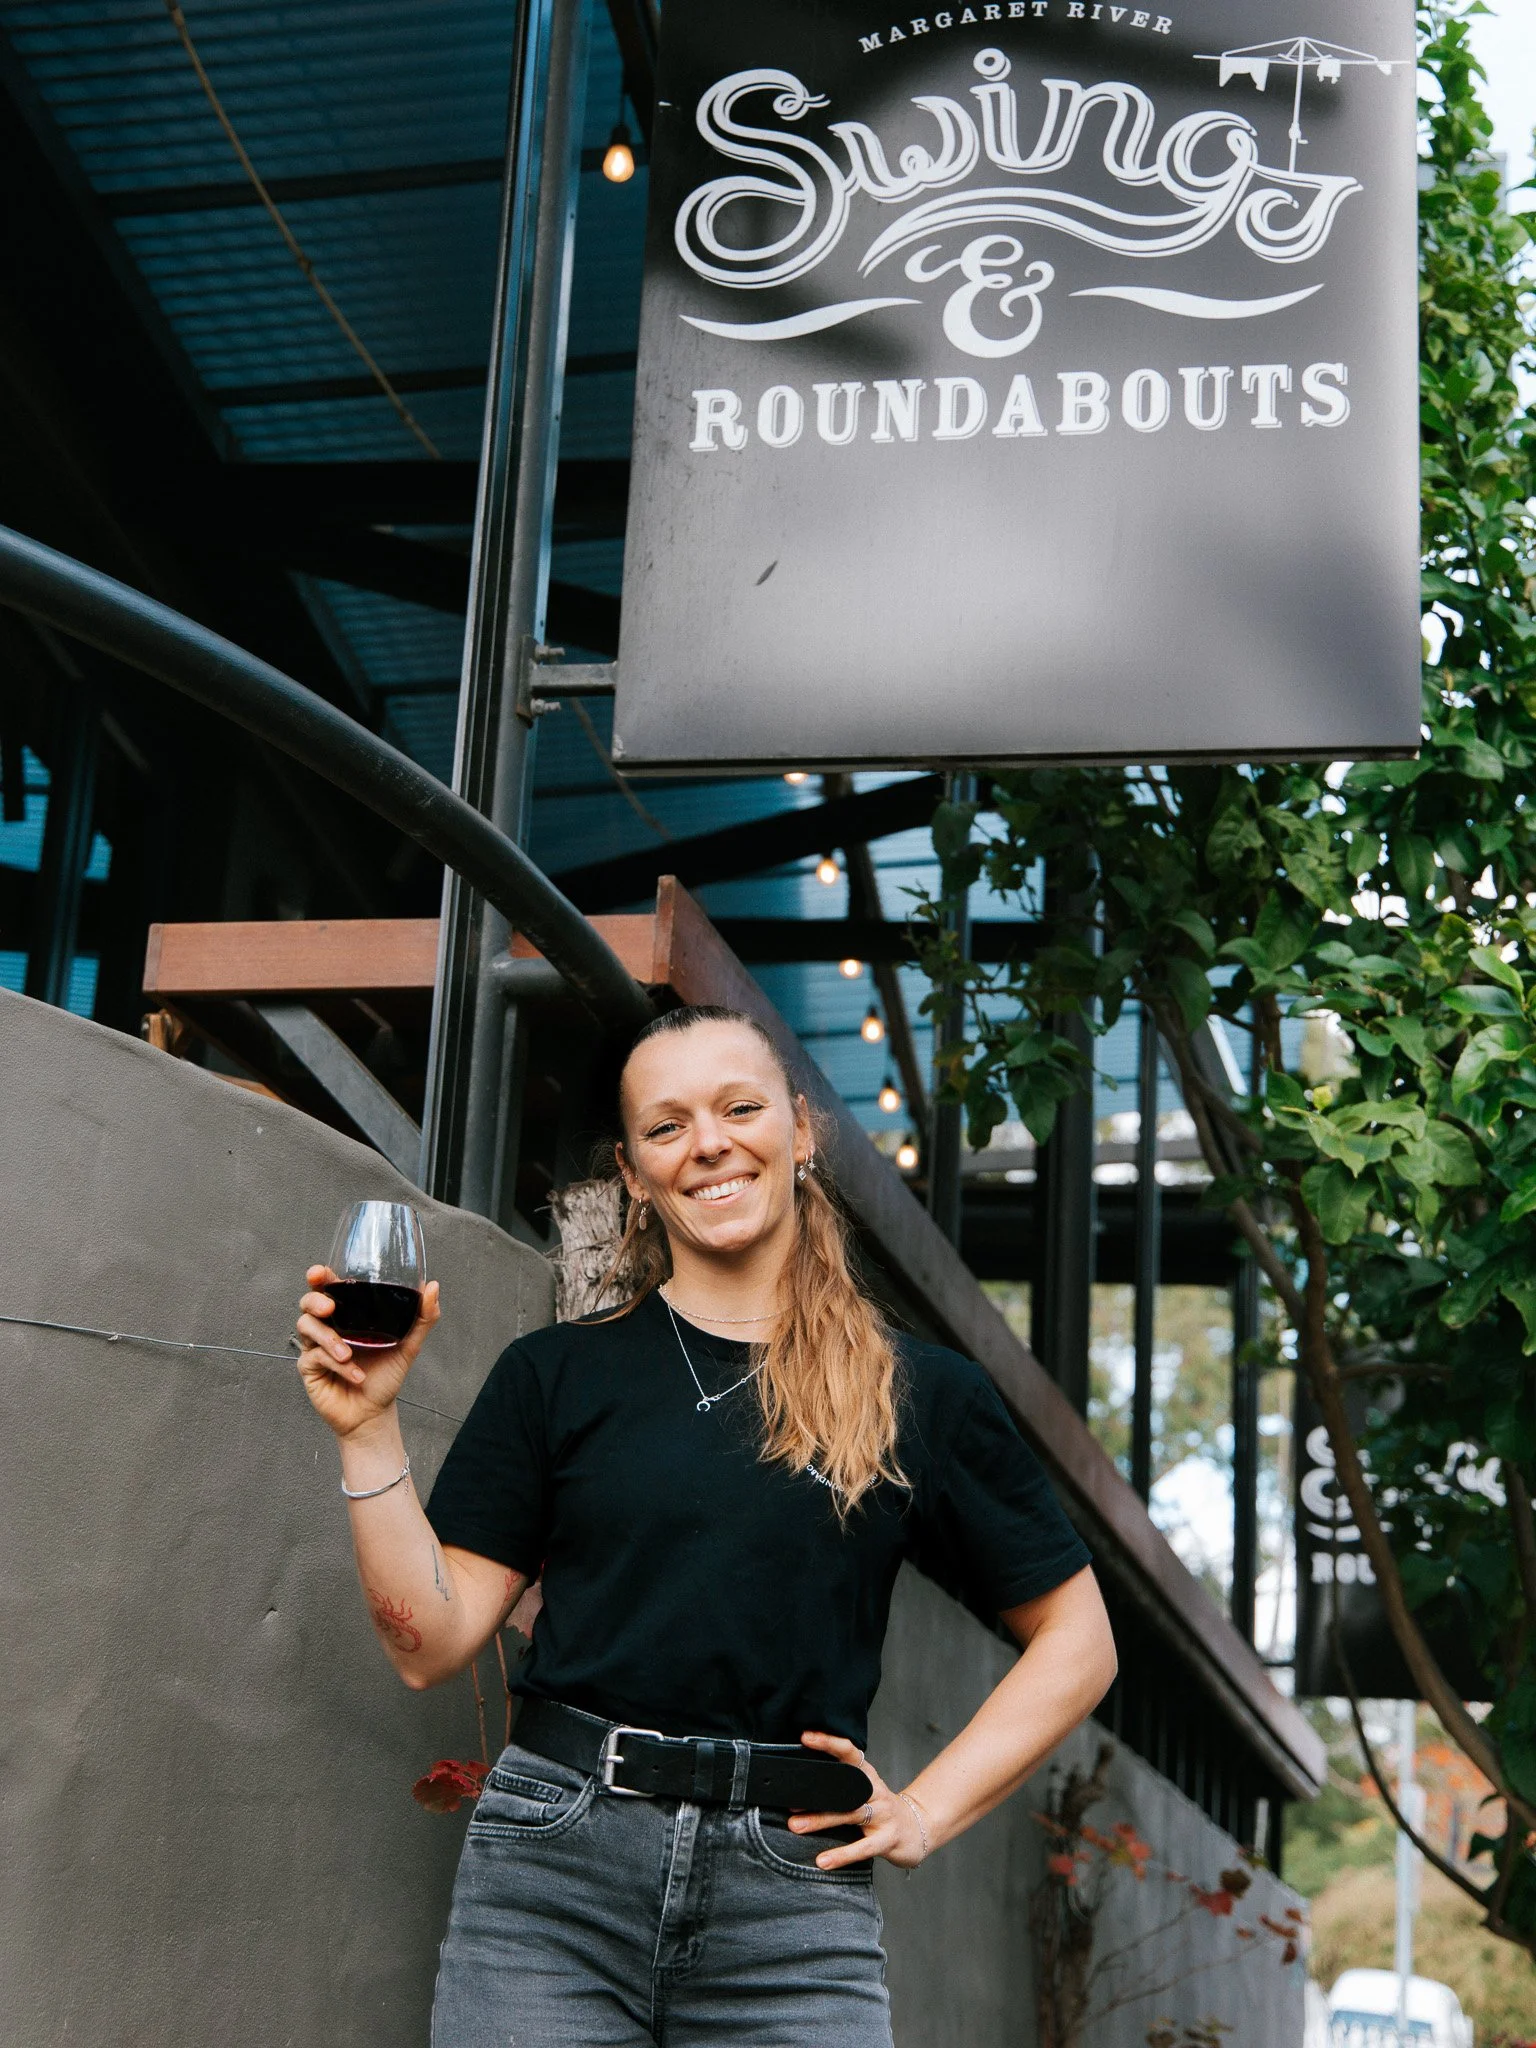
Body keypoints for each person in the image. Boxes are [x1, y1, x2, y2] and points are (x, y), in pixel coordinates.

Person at [297, 1004, 1116, 2047]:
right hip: (553, 1887)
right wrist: (367, 1429)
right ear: (634, 1174)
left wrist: (925, 1809)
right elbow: (432, 1645)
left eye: (740, 1108)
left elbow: (1079, 1640)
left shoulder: (921, 1392)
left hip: (794, 1910)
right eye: (667, 1125)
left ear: (801, 1130)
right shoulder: (555, 1375)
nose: (709, 1144)